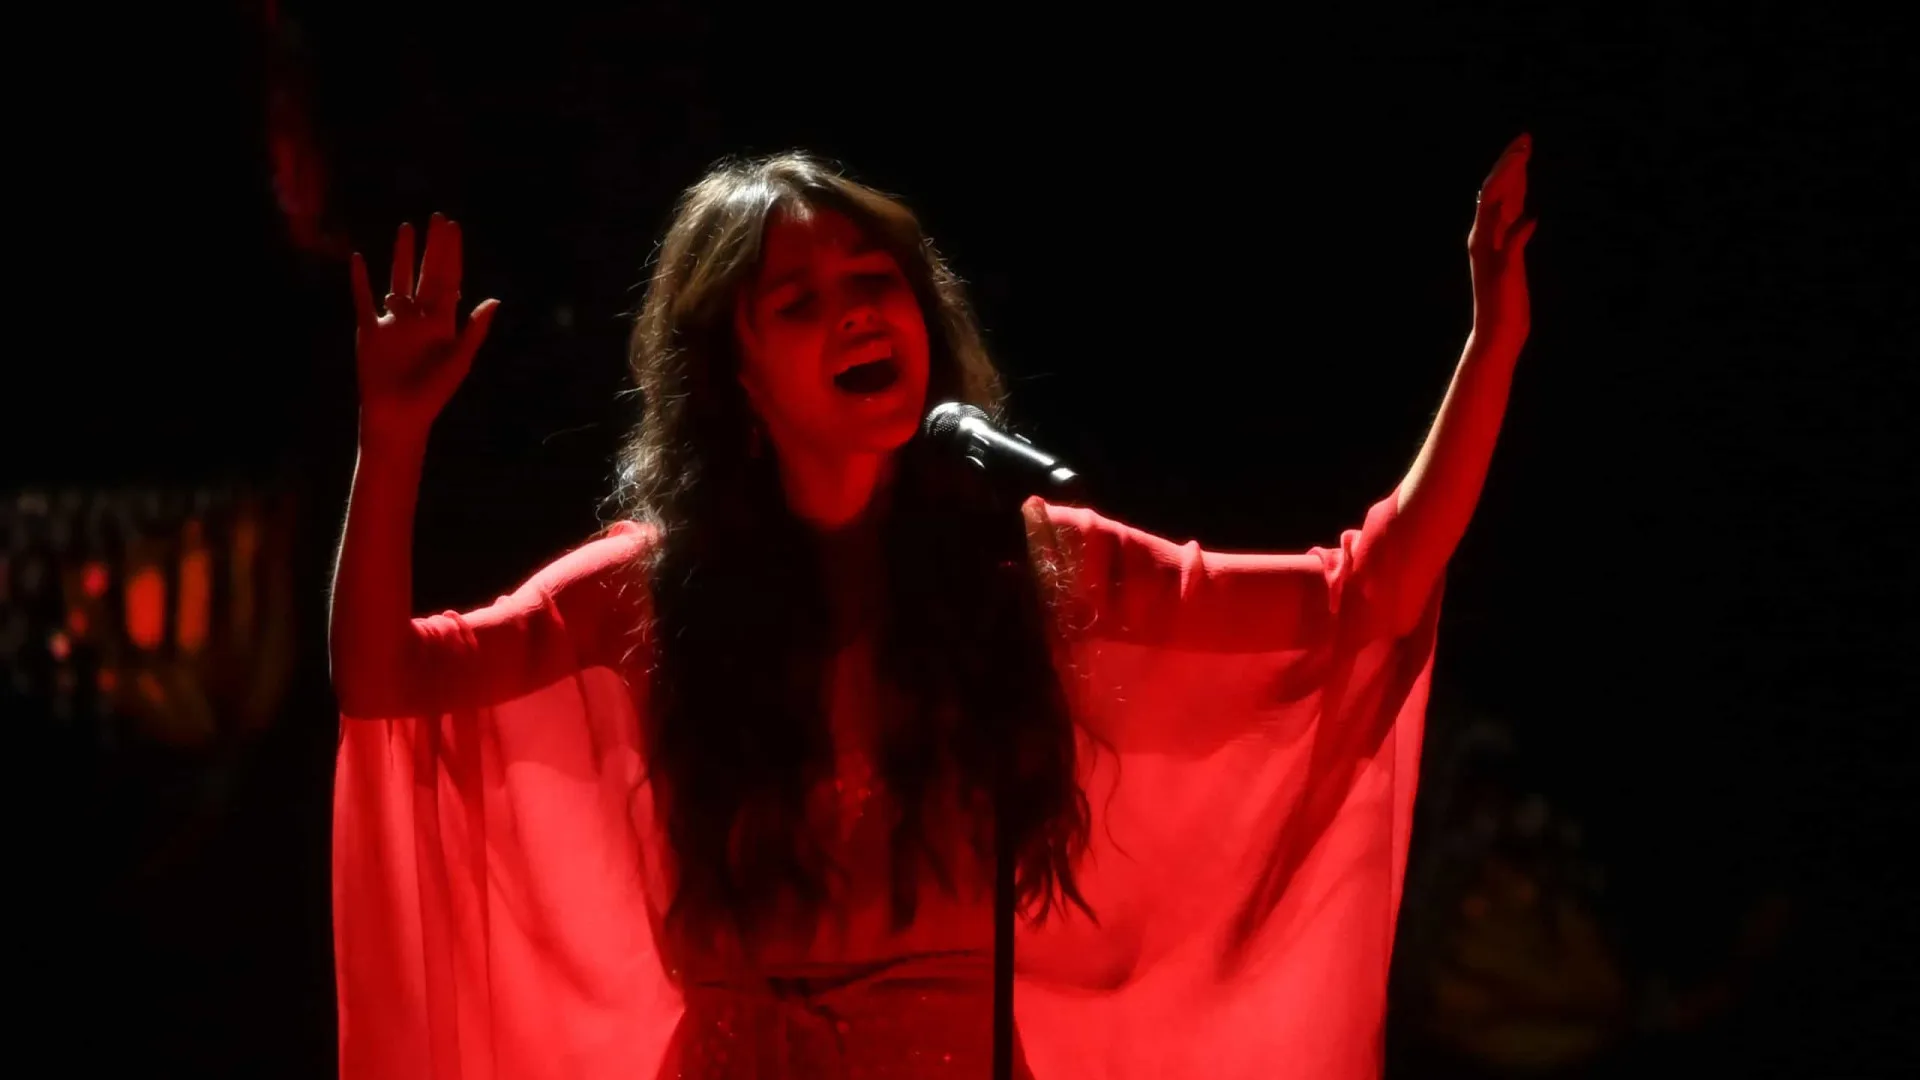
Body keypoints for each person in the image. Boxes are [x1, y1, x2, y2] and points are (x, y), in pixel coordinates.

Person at [329, 137, 1536, 1079]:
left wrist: (1493, 344)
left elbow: (1364, 593)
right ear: (734, 378)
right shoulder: (644, 589)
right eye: (799, 302)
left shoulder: (1027, 561)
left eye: (875, 282)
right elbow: (382, 678)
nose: (858, 310)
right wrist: (390, 440)